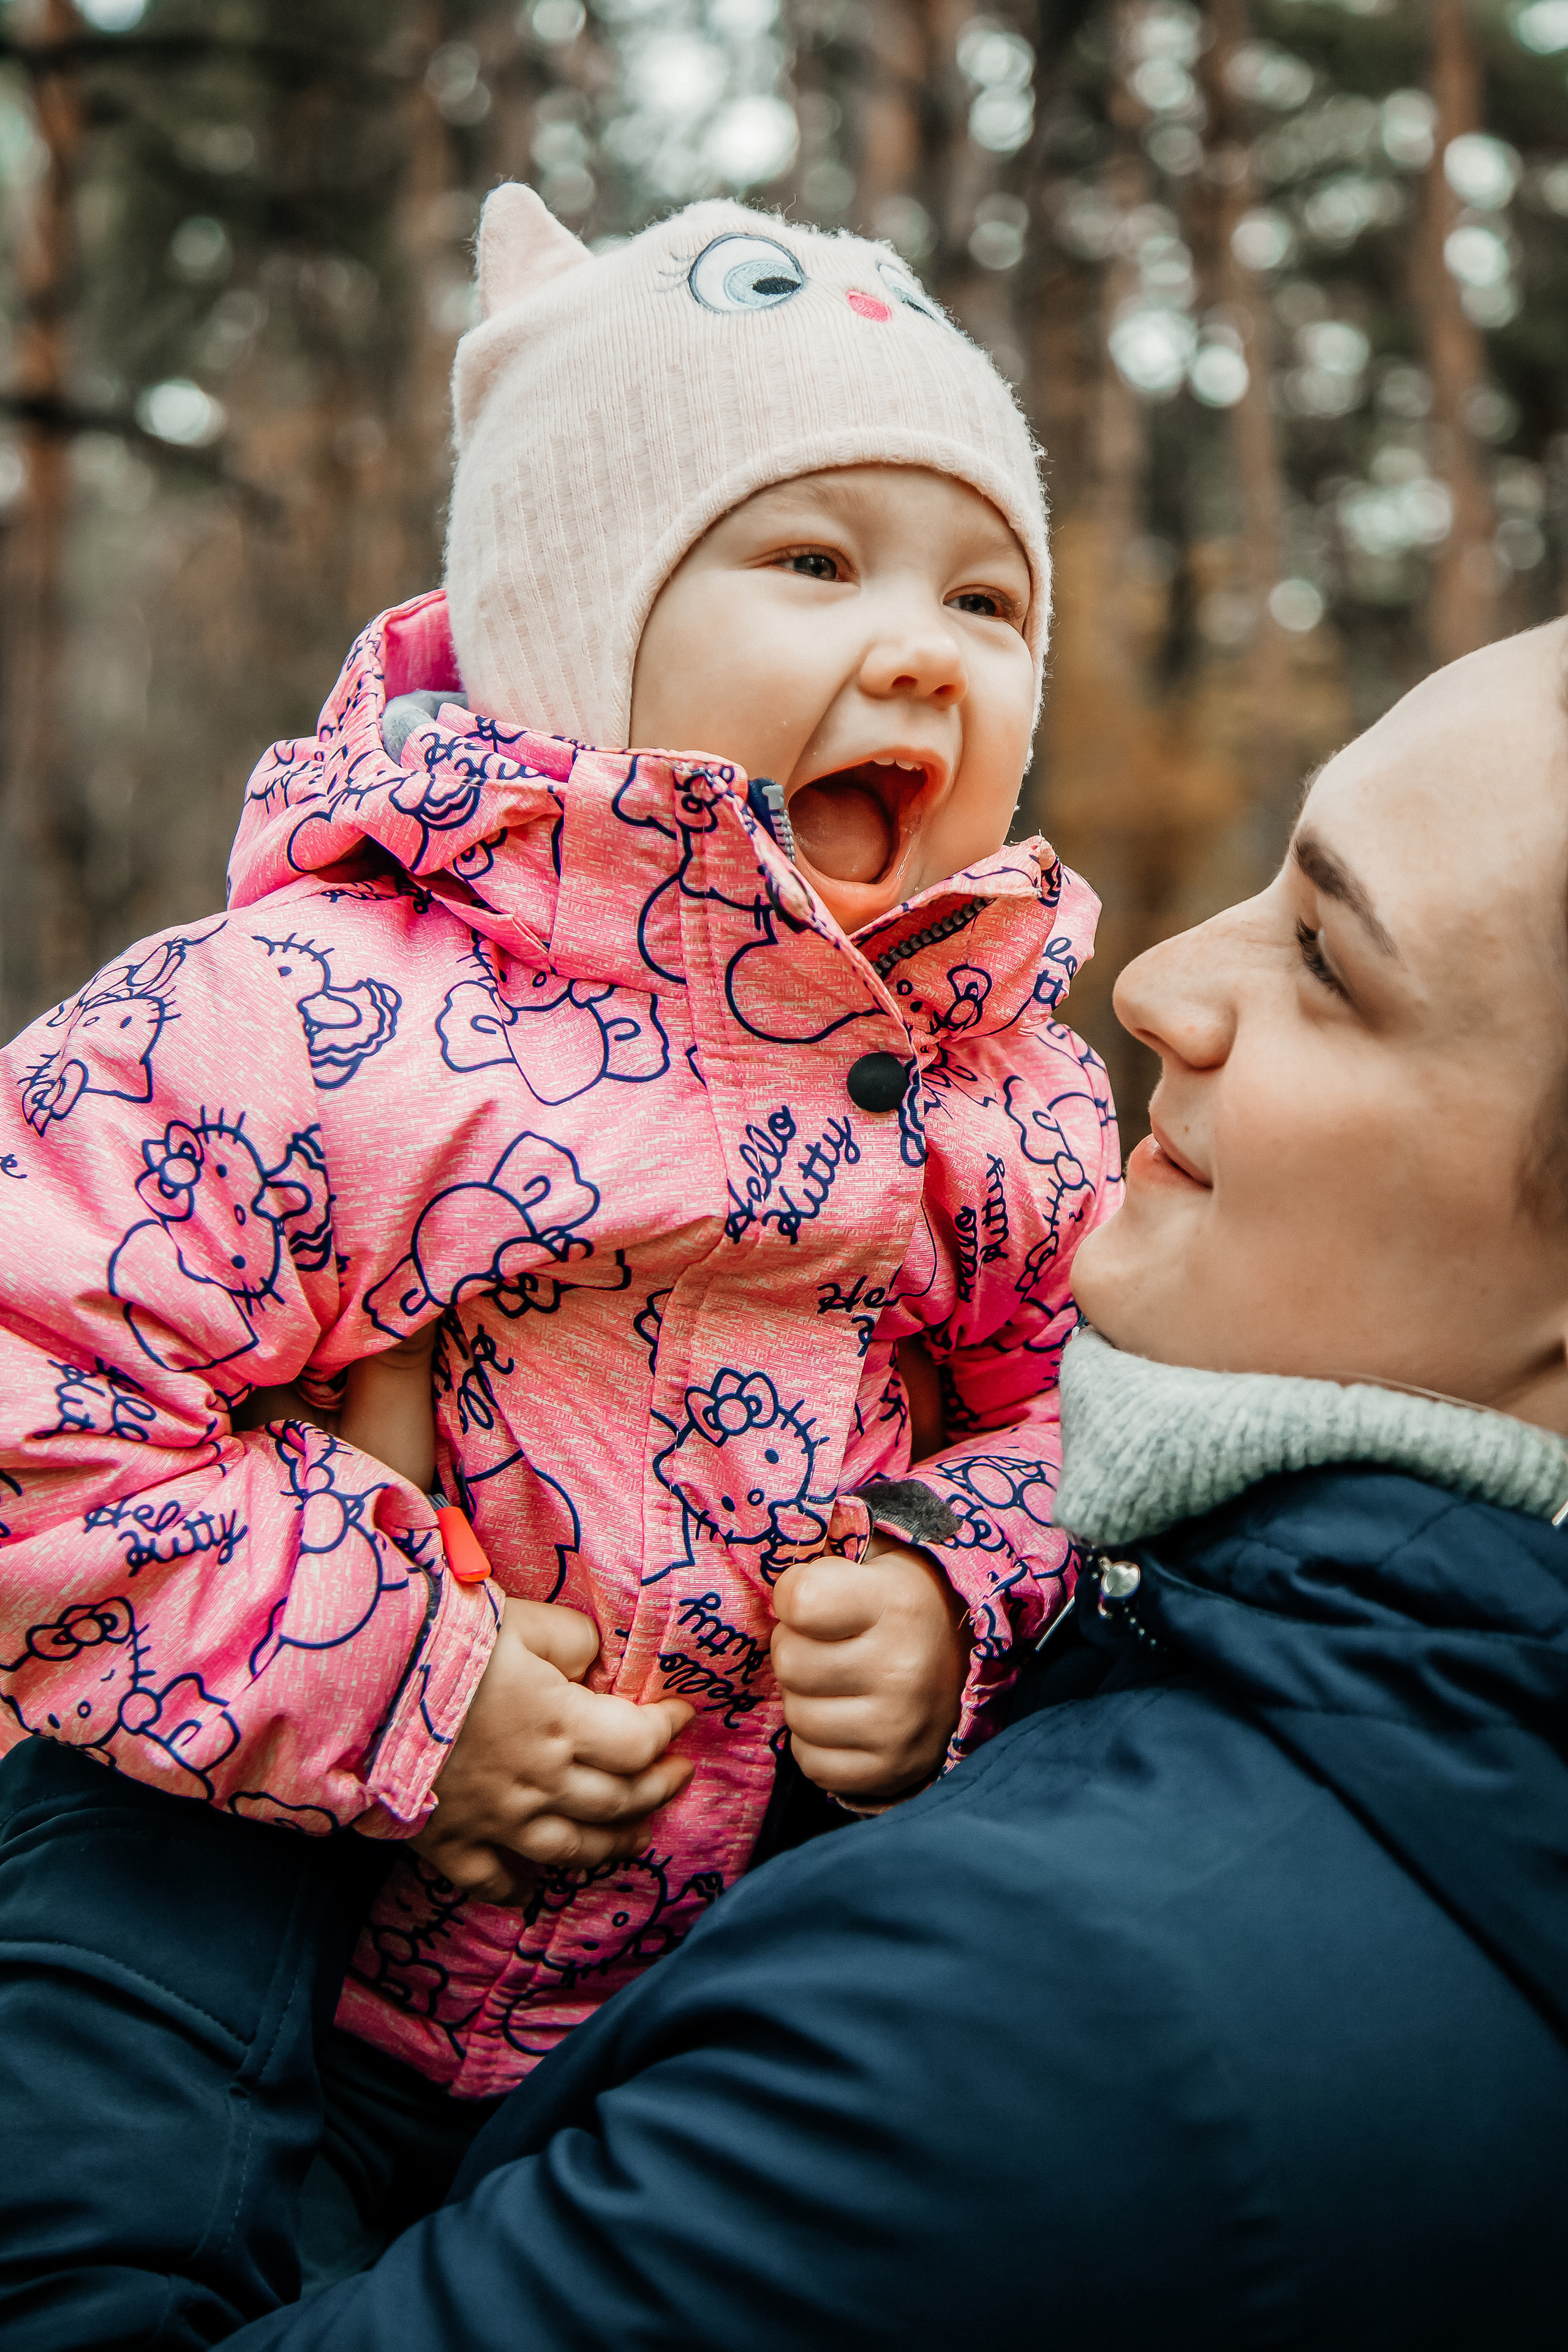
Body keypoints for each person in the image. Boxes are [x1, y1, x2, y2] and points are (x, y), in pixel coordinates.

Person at [130, 616, 1568, 2346]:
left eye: (1330, 961)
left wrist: (229, 1741)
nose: (1155, 982)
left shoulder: (1042, 2015)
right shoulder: (1300, 1679)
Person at [0, 187, 1120, 2332]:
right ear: (574, 622)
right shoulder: (317, 1013)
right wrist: (400, 1676)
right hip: (267, 1961)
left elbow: (1111, 1416)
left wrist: (956, 1590)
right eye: (815, 564)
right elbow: (33, 1388)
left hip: (704, 2011)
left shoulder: (1003, 1085)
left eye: (987, 599)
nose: (922, 650)